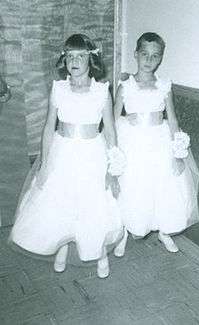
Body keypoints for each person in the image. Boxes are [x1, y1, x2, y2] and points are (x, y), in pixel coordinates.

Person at [9, 34, 125, 278]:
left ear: (90, 60)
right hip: (63, 153)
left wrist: (112, 166)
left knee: (91, 204)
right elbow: (49, 127)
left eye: (80, 56)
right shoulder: (59, 88)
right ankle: (62, 244)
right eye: (70, 55)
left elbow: (112, 132)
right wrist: (43, 163)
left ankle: (99, 252)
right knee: (60, 200)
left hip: (92, 153)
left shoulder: (102, 90)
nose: (74, 61)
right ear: (64, 60)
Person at [114, 32, 199, 256]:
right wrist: (125, 119)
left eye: (155, 56)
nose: (149, 60)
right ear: (136, 55)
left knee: (163, 187)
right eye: (145, 54)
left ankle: (165, 231)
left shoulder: (164, 85)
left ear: (160, 58)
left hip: (159, 141)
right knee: (133, 186)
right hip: (133, 142)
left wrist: (177, 150)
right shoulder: (126, 85)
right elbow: (112, 119)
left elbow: (172, 119)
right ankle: (125, 229)